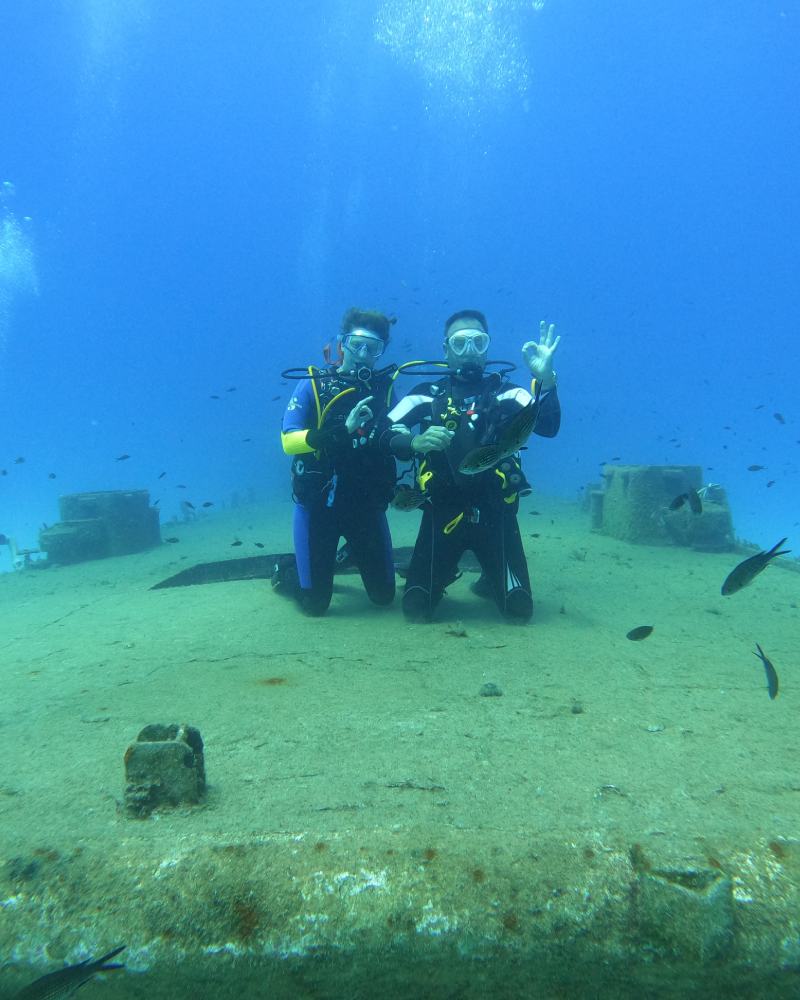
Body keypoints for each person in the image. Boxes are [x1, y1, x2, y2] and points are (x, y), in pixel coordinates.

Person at [382, 310, 561, 622]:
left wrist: (545, 381)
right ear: (446, 349)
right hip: (441, 513)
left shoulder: (507, 393)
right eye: (460, 343)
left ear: (487, 347)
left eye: (479, 342)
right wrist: (413, 443)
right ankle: (443, 573)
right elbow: (383, 431)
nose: (470, 351)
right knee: (415, 608)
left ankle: (490, 579)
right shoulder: (426, 396)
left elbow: (547, 425)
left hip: (497, 516)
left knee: (519, 611)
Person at [276, 308, 399, 616]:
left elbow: (400, 429)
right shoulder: (313, 385)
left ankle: (349, 554)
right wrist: (340, 432)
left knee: (384, 597)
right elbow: (288, 441)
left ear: (380, 353)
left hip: (366, 508)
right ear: (342, 344)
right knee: (315, 606)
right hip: (318, 509)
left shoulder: (384, 391)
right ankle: (287, 571)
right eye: (356, 344)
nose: (362, 354)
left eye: (372, 348)